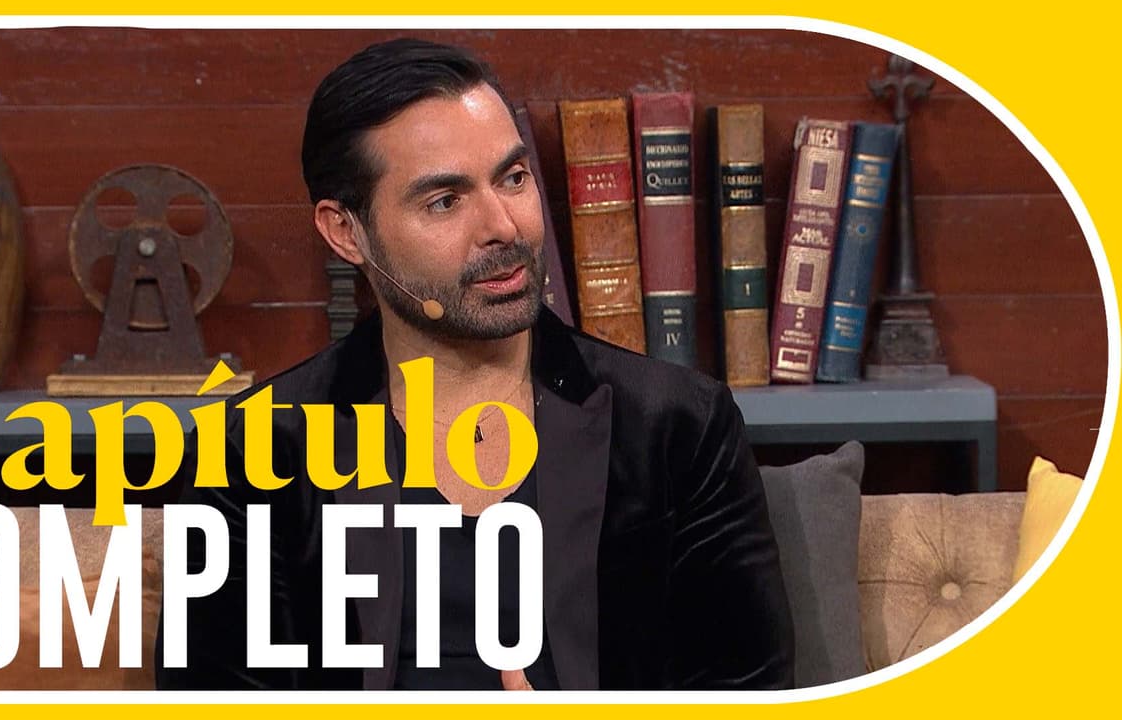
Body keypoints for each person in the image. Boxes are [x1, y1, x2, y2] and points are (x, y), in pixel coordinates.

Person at [155, 38, 794, 691]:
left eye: (512, 178)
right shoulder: (253, 451)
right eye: (445, 201)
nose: (503, 226)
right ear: (346, 231)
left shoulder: (677, 427)